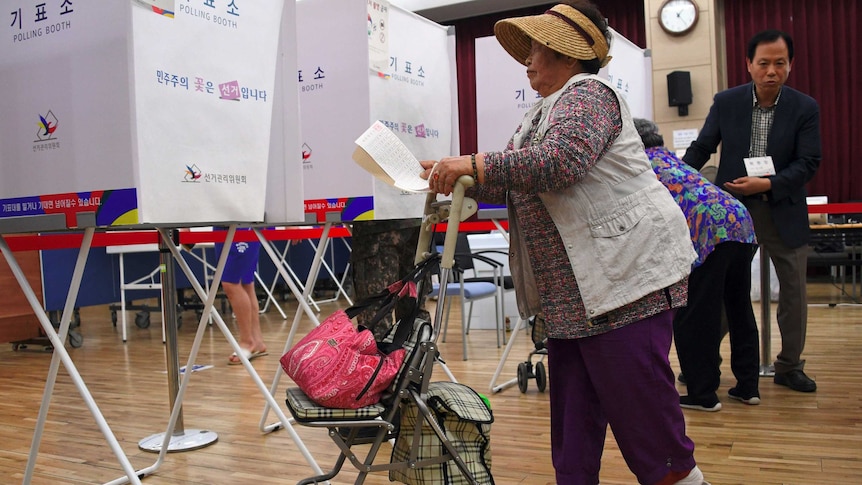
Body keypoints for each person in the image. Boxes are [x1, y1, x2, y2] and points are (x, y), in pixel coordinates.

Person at [421, 3, 708, 484]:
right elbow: (515, 179)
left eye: (538, 49)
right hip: (573, 300)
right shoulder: (544, 111)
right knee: (573, 443)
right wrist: (452, 177)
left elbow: (559, 163)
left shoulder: (589, 94)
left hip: (623, 289)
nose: (527, 60)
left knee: (654, 442)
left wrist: (472, 163)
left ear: (570, 56)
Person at [682, 29, 822, 393]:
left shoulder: (805, 107)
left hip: (783, 207)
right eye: (764, 63)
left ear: (790, 65)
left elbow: (808, 162)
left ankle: (789, 366)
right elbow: (702, 147)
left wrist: (768, 184)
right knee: (726, 290)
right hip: (732, 212)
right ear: (749, 65)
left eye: (779, 63)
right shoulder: (726, 102)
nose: (771, 71)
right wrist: (676, 179)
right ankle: (703, 365)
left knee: (793, 293)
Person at [635, 118, 761, 412]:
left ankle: (702, 393)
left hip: (707, 231)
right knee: (739, 308)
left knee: (695, 315)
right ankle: (748, 387)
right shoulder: (671, 160)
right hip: (739, 221)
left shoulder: (640, 167)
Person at [215, 235, 267, 365]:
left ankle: (247, 342)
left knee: (230, 282)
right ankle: (256, 340)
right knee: (245, 282)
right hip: (223, 224)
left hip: (242, 223)